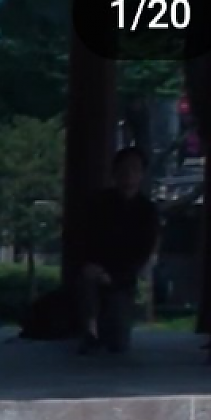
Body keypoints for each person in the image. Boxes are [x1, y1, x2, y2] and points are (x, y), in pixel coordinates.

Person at [78, 146, 160, 355]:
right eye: (123, 168)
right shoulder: (98, 203)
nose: (128, 173)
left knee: (118, 344)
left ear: (141, 174)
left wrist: (114, 276)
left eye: (134, 169)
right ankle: (90, 331)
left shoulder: (147, 211)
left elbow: (143, 252)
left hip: (123, 279)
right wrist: (95, 267)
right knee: (88, 282)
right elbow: (84, 238)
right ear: (114, 172)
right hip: (95, 270)